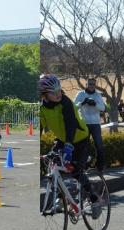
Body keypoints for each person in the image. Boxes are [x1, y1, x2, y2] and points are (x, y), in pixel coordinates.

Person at [39, 74, 101, 218]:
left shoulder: (66, 102)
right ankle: (61, 196)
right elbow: (40, 127)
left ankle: (94, 198)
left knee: (74, 170)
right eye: (53, 93)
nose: (58, 94)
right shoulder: (42, 108)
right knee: (51, 162)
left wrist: (68, 146)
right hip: (62, 138)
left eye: (59, 90)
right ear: (43, 95)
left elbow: (71, 125)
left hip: (79, 138)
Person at [74, 78, 107, 171]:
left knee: (99, 145)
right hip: (85, 123)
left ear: (95, 85)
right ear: (86, 84)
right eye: (90, 84)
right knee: (85, 145)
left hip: (96, 123)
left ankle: (100, 165)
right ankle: (84, 165)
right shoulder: (80, 94)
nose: (92, 85)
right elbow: (74, 106)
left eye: (93, 84)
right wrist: (82, 103)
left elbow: (103, 108)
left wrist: (95, 104)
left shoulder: (97, 95)